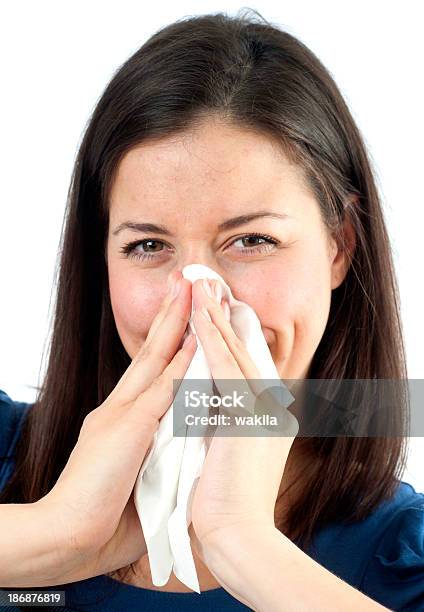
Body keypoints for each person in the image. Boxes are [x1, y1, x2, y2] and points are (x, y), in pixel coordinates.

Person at [1, 8, 423, 612]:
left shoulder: (400, 559)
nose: (200, 302)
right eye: (148, 246)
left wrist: (242, 541)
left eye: (252, 241)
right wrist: (55, 534)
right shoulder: (7, 455)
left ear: (340, 247)